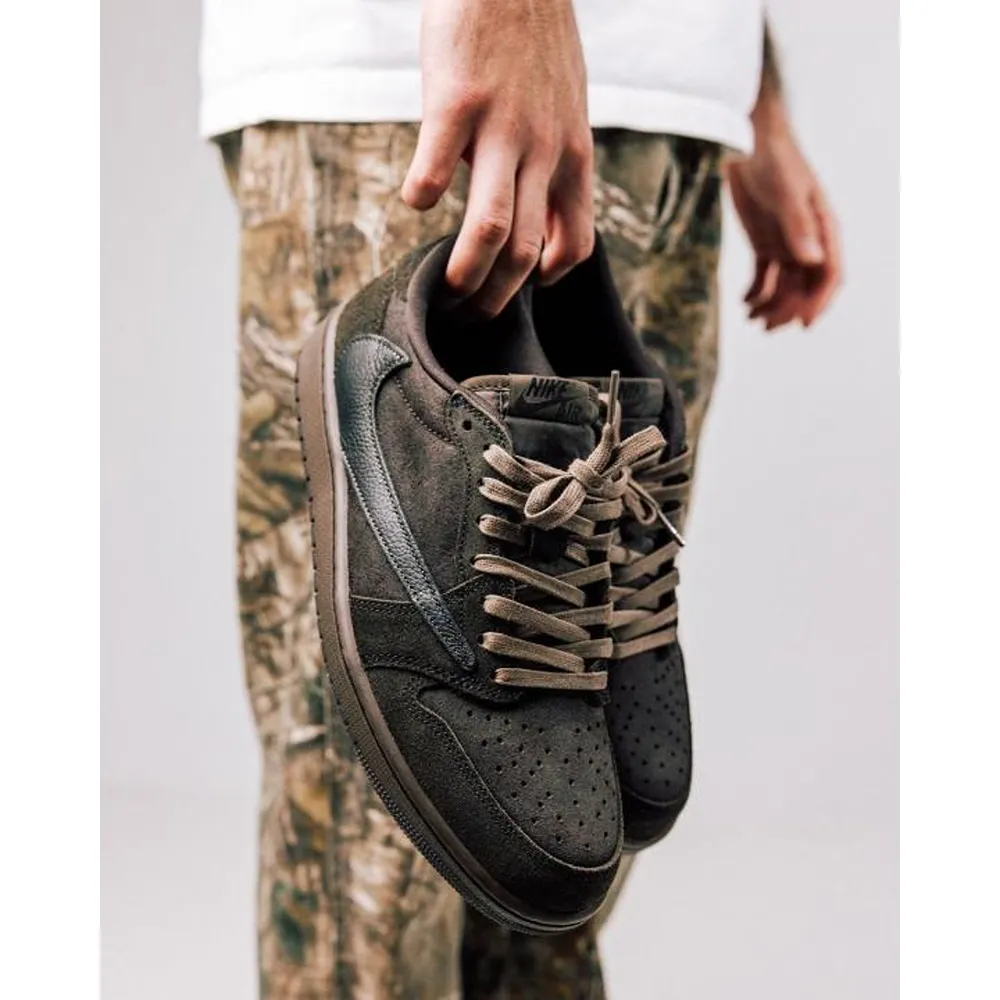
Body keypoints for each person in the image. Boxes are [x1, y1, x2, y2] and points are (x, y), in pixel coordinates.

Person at [200, 1, 842, 996]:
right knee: (376, 884)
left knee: (555, 861)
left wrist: (748, 92)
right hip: (422, 82)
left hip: (666, 102)